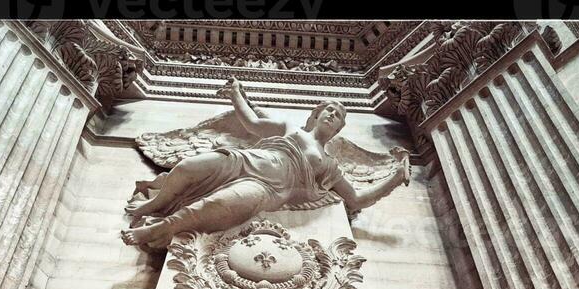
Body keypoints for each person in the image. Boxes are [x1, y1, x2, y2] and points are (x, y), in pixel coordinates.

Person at [122, 78, 408, 249]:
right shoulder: (290, 128)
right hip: (244, 160)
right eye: (328, 109)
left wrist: (393, 180)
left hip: (267, 189)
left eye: (338, 115)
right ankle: (153, 205)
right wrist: (236, 93)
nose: (332, 114)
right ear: (316, 115)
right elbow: (252, 123)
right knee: (186, 168)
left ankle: (163, 228)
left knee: (214, 206)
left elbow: (356, 199)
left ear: (338, 129)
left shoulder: (330, 166)